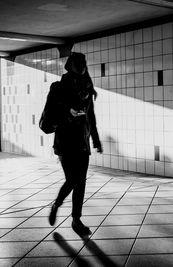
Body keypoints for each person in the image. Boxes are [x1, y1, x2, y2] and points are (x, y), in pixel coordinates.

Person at [48, 52, 103, 235]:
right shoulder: (58, 87)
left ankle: (76, 220)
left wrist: (95, 140)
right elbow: (50, 114)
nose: (81, 65)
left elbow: (91, 117)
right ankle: (57, 203)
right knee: (73, 179)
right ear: (70, 65)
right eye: (77, 62)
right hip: (65, 141)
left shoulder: (87, 88)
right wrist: (67, 113)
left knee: (80, 183)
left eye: (83, 62)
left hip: (82, 142)